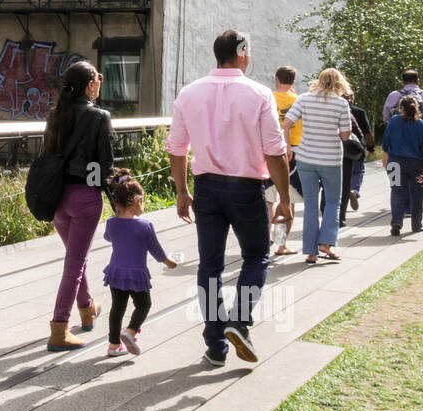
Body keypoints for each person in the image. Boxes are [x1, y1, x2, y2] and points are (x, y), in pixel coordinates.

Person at [167, 30, 293, 367]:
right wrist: (284, 198)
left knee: (209, 267)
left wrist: (182, 192)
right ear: (242, 52)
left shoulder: (189, 93)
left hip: (206, 188)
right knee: (256, 256)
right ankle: (239, 320)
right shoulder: (259, 93)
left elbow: (177, 148)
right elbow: (274, 151)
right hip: (247, 189)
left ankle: (216, 345)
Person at [43, 59, 114, 352]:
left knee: (76, 258)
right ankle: (59, 329)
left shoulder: (55, 115)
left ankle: (87, 309)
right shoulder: (99, 117)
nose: (99, 83)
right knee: (74, 265)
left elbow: (48, 155)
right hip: (85, 198)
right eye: (98, 79)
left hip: (57, 198)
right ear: (90, 85)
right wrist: (105, 193)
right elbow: (103, 165)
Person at [101, 170, 177, 357]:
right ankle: (130, 332)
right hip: (136, 274)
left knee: (117, 308)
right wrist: (168, 262)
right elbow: (155, 250)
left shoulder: (111, 223)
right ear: (136, 201)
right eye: (142, 200)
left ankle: (113, 345)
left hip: (116, 272)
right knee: (143, 305)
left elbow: (108, 237)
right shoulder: (145, 226)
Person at [282, 68, 353, 263]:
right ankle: (326, 243)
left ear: (319, 80)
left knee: (310, 205)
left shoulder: (304, 99)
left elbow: (286, 124)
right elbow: (345, 135)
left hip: (306, 158)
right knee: (333, 201)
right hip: (331, 160)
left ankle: (311, 251)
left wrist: (288, 147)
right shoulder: (341, 104)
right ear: (339, 82)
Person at [382, 94, 423, 236]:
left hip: (395, 162)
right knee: (417, 193)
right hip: (417, 165)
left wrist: (385, 160)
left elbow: (386, 142)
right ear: (417, 108)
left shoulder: (394, 121)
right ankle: (417, 225)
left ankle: (396, 223)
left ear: (401, 108)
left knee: (397, 191)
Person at [269, 65, 304, 255]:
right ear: (293, 81)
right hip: (294, 152)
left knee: (268, 200)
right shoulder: (299, 100)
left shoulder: (269, 98)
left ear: (276, 79)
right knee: (288, 200)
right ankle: (281, 244)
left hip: (269, 150)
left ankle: (265, 240)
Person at [338, 91, 371, 225]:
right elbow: (366, 131)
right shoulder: (359, 111)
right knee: (358, 170)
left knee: (343, 176)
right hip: (355, 147)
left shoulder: (336, 108)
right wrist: (371, 147)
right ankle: (354, 190)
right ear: (352, 98)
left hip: (339, 148)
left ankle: (341, 198)